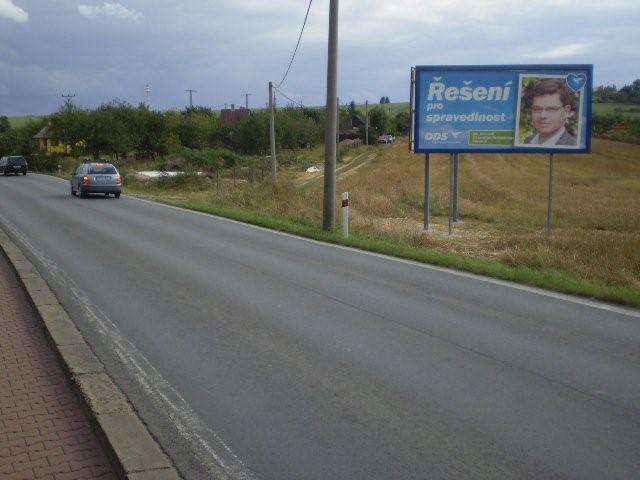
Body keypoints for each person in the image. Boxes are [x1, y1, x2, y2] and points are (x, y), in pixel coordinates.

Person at [523, 78, 577, 146]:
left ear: (566, 111)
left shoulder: (573, 146)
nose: (542, 116)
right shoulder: (527, 141)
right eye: (537, 109)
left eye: (551, 109)